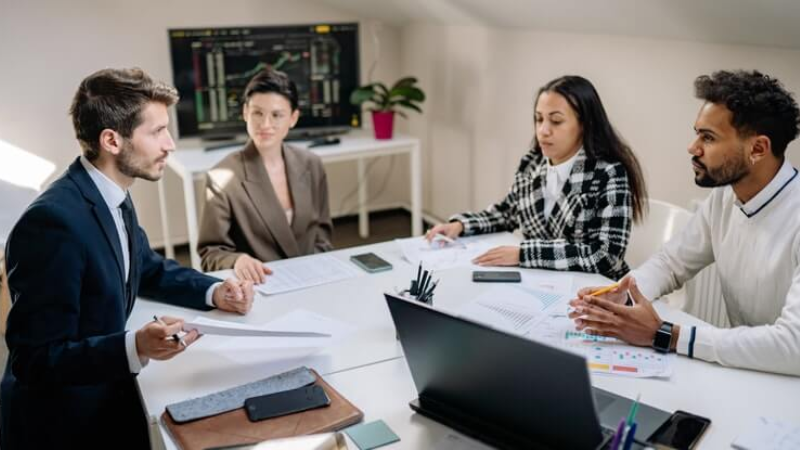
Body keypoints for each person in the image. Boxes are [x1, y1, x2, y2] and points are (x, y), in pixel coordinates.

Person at [0, 68, 256, 449]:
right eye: (157, 132)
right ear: (112, 141)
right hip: (62, 423)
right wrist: (134, 346)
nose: (170, 144)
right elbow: (34, 359)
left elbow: (145, 268)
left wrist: (215, 291)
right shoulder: (52, 224)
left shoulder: (110, 191)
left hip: (108, 391)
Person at [570, 70, 800, 376]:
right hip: (749, 371)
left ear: (758, 149)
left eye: (708, 137)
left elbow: (792, 346)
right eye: (697, 134)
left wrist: (664, 334)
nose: (693, 148)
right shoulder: (722, 199)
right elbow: (670, 262)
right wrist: (624, 293)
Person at [426, 75, 647, 280]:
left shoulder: (609, 173)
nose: (543, 130)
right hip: (539, 282)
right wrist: (460, 225)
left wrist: (524, 254)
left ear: (584, 125)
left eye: (556, 121)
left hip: (596, 293)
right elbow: (509, 213)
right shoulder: (532, 162)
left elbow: (606, 257)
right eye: (538, 119)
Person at [198, 68, 333, 283]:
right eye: (257, 113)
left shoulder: (312, 164)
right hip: (260, 286)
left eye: (277, 115)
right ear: (245, 113)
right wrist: (237, 260)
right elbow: (211, 253)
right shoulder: (221, 177)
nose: (266, 125)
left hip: (311, 279)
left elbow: (322, 234)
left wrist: (314, 271)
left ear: (293, 118)